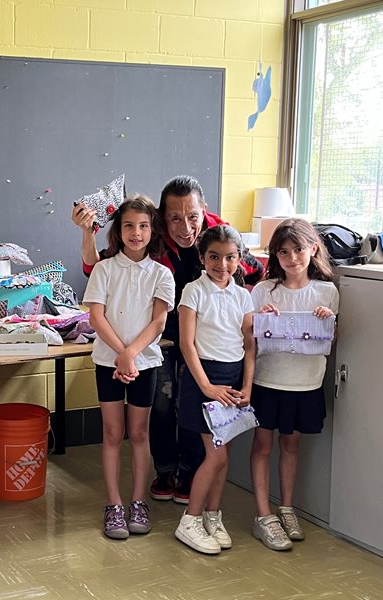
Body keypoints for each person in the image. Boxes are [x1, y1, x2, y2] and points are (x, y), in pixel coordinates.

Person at [73, 175, 263, 504]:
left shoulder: (219, 236)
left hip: (205, 340)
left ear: (204, 210)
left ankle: (190, 472)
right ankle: (165, 470)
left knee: (195, 404)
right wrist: (87, 231)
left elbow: (254, 272)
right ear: (162, 217)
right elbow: (99, 267)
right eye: (175, 217)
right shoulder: (152, 236)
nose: (186, 227)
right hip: (159, 340)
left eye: (193, 216)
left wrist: (260, 303)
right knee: (160, 405)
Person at [83, 196, 175, 540]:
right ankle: (114, 504)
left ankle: (138, 501)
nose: (136, 233)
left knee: (138, 434)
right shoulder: (105, 268)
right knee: (111, 433)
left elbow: (159, 321)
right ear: (118, 231)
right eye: (128, 226)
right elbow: (96, 316)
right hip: (108, 361)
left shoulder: (161, 273)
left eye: (143, 225)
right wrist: (122, 354)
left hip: (145, 363)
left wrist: (132, 355)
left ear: (153, 230)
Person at [249, 218, 338, 551]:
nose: (292, 258)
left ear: (312, 249)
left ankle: (286, 508)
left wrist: (327, 322)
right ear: (275, 255)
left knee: (291, 445)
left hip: (306, 384)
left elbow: (333, 338)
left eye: (298, 249)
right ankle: (263, 514)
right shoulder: (263, 290)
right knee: (263, 446)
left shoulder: (327, 291)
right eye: (283, 251)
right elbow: (250, 340)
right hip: (268, 381)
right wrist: (262, 320)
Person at [173, 225, 255, 555]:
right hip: (203, 379)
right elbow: (187, 344)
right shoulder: (194, 291)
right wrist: (206, 385)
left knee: (224, 456)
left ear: (239, 258)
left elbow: (250, 345)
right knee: (215, 455)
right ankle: (189, 520)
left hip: (234, 380)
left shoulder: (243, 295)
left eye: (230, 257)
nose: (222, 265)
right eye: (214, 257)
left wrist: (247, 386)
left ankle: (212, 515)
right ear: (203, 257)